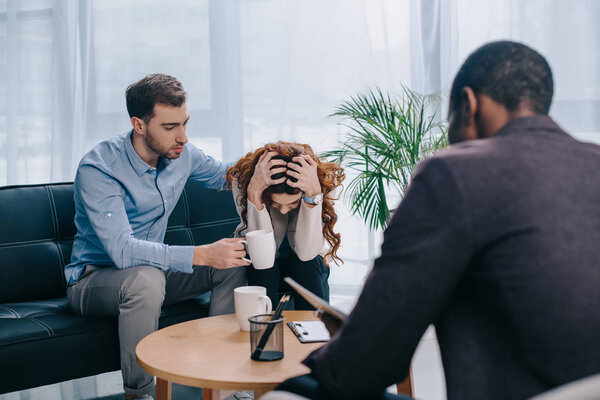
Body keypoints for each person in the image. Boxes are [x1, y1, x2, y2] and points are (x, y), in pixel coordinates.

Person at [275, 41, 600, 400]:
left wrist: (349, 341)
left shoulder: (455, 173)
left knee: (293, 389)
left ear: (469, 104)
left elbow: (367, 366)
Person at [64, 74, 249, 400]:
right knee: (145, 279)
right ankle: (140, 395)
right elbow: (122, 251)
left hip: (158, 274)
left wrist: (272, 159)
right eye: (169, 127)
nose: (183, 137)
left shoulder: (182, 154)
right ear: (138, 124)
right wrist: (203, 254)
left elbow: (226, 175)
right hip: (93, 280)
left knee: (232, 260)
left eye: (185, 123)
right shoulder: (99, 169)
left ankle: (222, 385)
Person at [226, 142, 344, 309]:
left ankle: (312, 332)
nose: (283, 211)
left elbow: (306, 253)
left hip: (308, 263)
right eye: (275, 204)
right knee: (262, 268)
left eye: (292, 204)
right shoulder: (245, 181)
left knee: (305, 266)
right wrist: (254, 193)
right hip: (262, 261)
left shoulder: (322, 183)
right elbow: (263, 258)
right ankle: (264, 330)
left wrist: (313, 196)